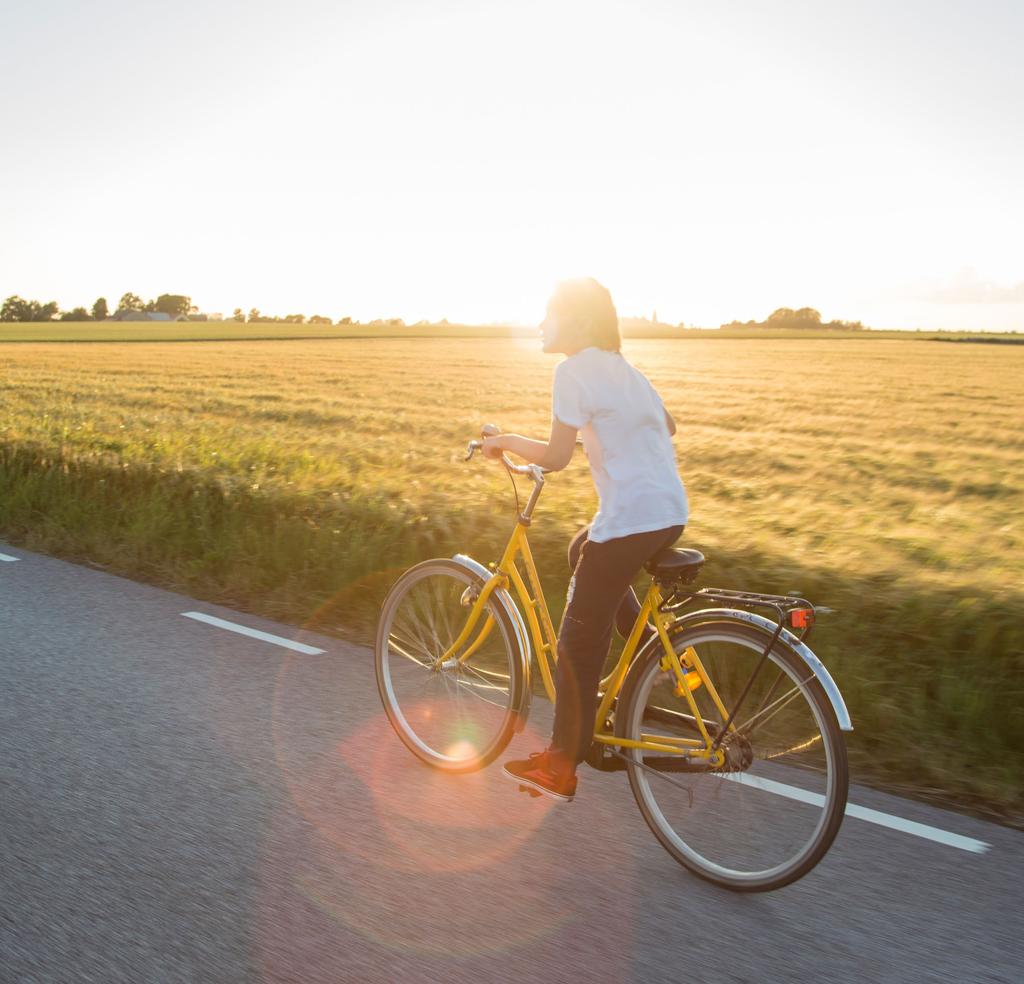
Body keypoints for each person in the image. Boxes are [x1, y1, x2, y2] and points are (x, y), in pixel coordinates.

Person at [481, 278, 688, 802]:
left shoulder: (571, 371)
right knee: (581, 551)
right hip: (669, 513)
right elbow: (669, 423)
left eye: (548, 315)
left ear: (576, 321)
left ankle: (559, 764)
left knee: (577, 639)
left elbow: (554, 457)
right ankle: (655, 658)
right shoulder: (628, 371)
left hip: (631, 520)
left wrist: (502, 440)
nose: (540, 326)